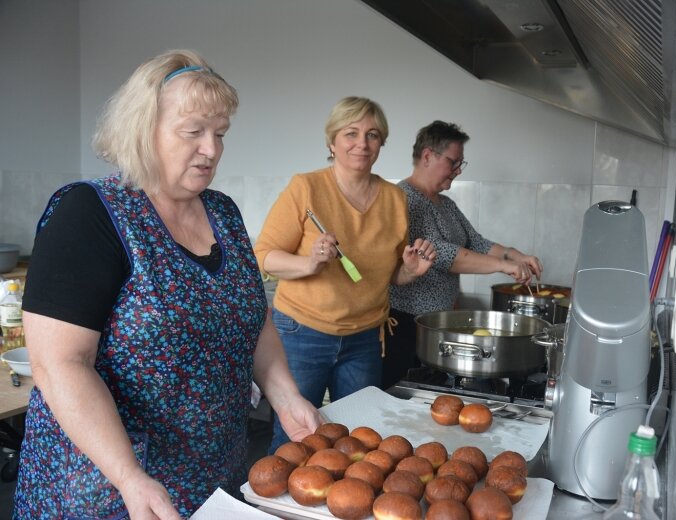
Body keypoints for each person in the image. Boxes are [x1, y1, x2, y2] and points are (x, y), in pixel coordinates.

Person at [14, 50, 322, 519]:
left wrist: (285, 396)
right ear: (143, 130)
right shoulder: (91, 213)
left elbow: (255, 324)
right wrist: (129, 477)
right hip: (107, 487)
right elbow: (60, 365)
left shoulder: (224, 214)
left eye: (219, 134)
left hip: (214, 477)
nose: (212, 149)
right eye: (193, 132)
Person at [254, 96, 436, 453]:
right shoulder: (306, 188)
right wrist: (309, 263)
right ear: (332, 141)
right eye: (350, 133)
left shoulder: (394, 199)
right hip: (302, 333)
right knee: (296, 437)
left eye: (372, 134)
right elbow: (263, 256)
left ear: (381, 142)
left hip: (364, 337)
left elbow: (388, 275)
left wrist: (410, 271)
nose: (362, 143)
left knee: (357, 439)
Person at [382, 120, 543, 389]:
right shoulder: (404, 198)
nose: (457, 170)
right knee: (401, 394)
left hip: (435, 323)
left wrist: (517, 256)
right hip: (406, 324)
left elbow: (477, 242)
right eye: (453, 162)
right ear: (427, 156)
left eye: (460, 164)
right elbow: (443, 255)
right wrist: (503, 266)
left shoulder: (445, 203)